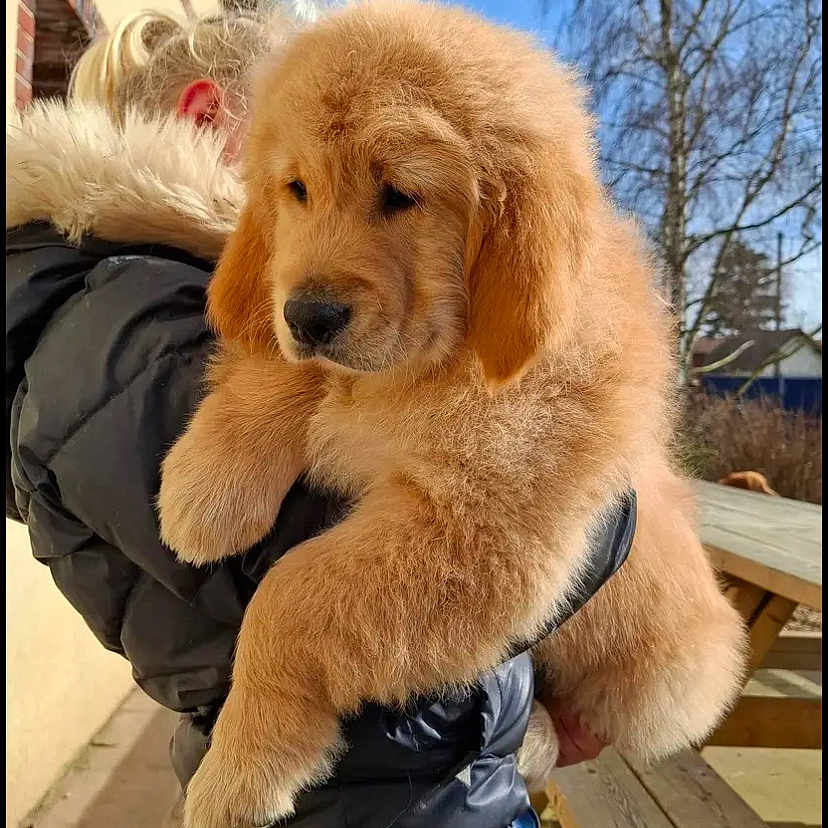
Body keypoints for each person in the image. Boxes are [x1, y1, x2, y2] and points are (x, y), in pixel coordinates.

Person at [5, 7, 632, 826]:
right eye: (297, 188)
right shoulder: (119, 317)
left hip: (446, 766)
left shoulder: (115, 286)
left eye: (397, 193)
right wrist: (616, 521)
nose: (308, 269)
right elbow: (477, 543)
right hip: (382, 797)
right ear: (212, 117)